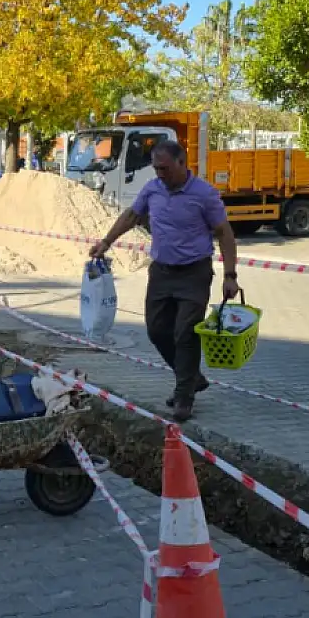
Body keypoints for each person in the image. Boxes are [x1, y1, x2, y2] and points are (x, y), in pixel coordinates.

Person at [89, 140, 240, 422]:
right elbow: (131, 216)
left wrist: (230, 276)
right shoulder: (152, 189)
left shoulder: (204, 194)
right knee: (157, 331)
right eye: (156, 168)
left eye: (165, 168)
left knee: (185, 333)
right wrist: (106, 242)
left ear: (182, 163)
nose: (160, 174)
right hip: (161, 272)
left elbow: (224, 233)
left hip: (194, 273)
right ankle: (191, 377)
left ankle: (184, 397)